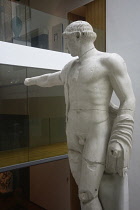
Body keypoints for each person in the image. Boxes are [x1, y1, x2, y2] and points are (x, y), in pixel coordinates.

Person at [24, 21, 135, 210]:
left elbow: (128, 99)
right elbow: (51, 79)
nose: (66, 46)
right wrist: (30, 80)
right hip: (72, 134)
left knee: (87, 194)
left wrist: (119, 138)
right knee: (84, 193)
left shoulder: (109, 61)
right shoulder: (69, 67)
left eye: (67, 40)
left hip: (96, 133)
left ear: (78, 36)